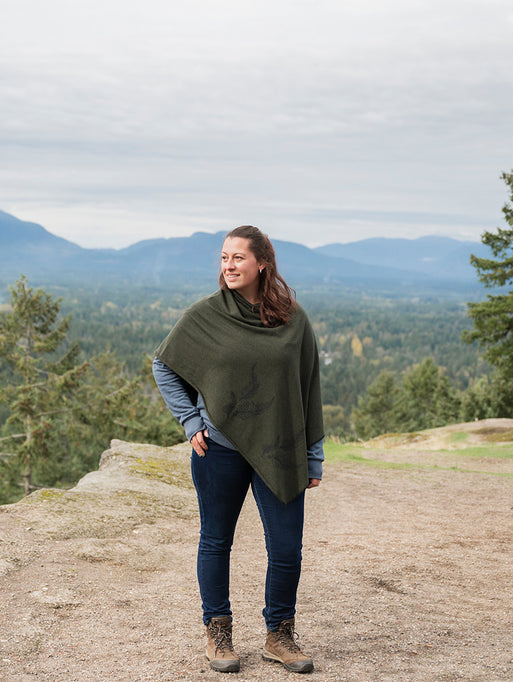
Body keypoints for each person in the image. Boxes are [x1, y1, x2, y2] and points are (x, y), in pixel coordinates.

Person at [152, 225, 324, 674]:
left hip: (280, 449)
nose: (228, 265)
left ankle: (279, 635)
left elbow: (308, 387)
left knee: (287, 549)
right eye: (224, 257)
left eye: (238, 258)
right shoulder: (206, 316)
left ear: (262, 263)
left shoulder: (293, 320)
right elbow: (164, 365)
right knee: (215, 542)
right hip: (220, 451)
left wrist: (313, 455)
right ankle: (218, 634)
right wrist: (191, 421)